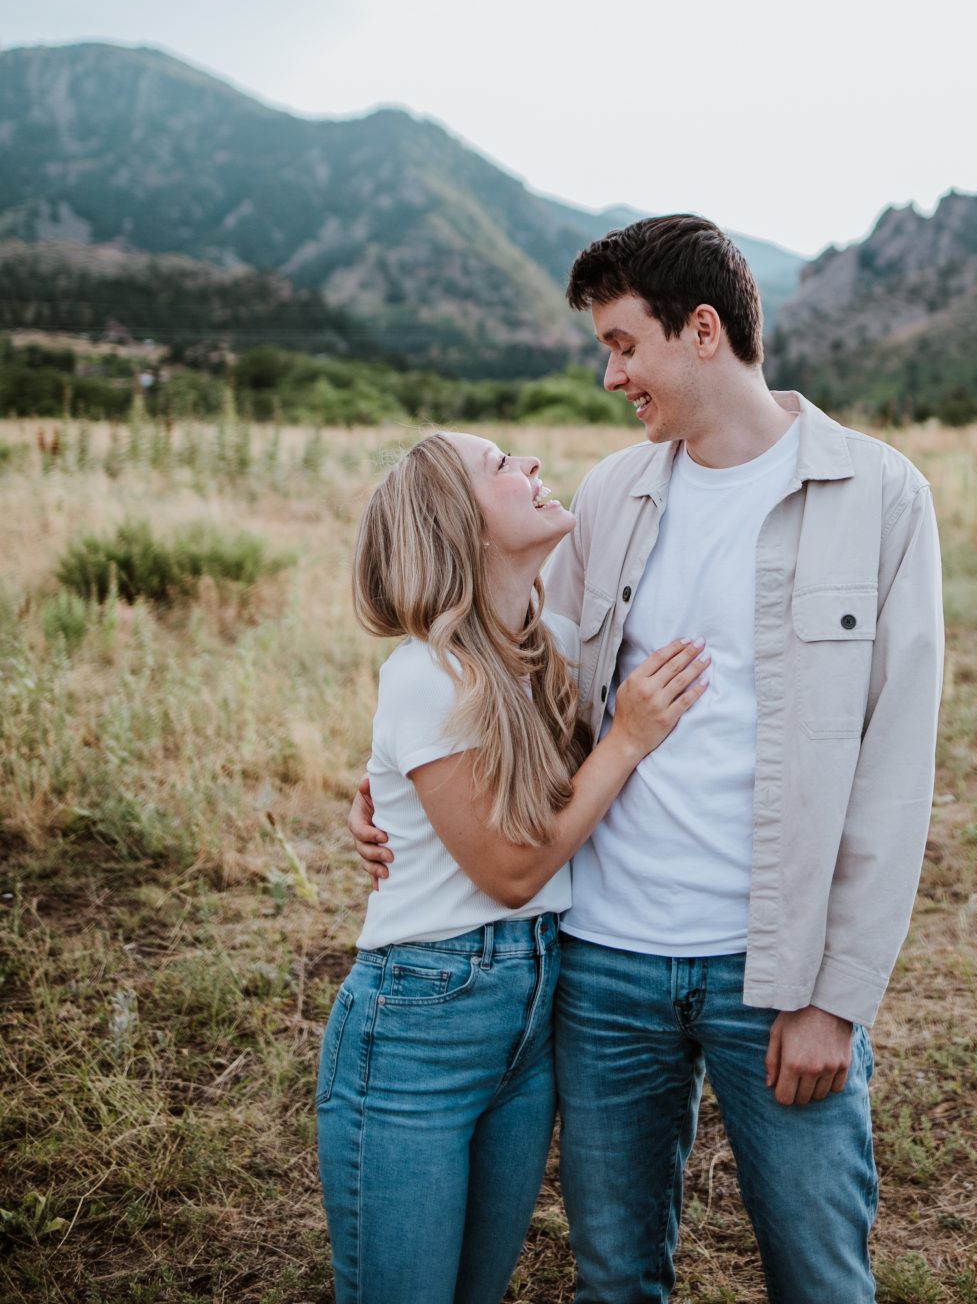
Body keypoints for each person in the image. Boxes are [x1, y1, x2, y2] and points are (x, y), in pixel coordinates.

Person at [351, 215, 945, 1304]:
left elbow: (895, 773)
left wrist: (840, 998)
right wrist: (402, 781)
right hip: (603, 963)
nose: (611, 373)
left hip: (778, 972)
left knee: (822, 1275)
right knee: (616, 1277)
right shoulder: (614, 495)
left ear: (702, 329)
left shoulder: (881, 496)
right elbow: (534, 680)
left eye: (624, 343)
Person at [318, 427, 709, 1304]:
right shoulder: (423, 675)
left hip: (530, 1019)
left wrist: (382, 785)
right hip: (418, 1025)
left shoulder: (554, 649)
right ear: (460, 526)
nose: (530, 464)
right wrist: (628, 740)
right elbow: (509, 872)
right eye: (500, 465)